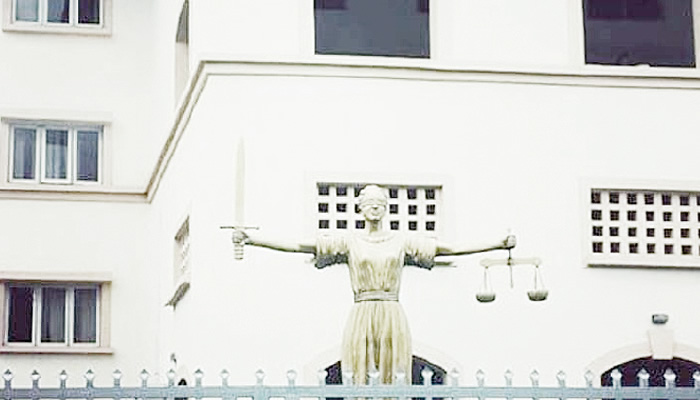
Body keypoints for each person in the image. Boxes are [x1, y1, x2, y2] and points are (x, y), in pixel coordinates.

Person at [232, 185, 515, 385]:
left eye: (380, 204)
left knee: (395, 375)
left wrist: (496, 245)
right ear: (360, 209)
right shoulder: (350, 241)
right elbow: (300, 246)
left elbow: (448, 250)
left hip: (391, 311)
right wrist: (254, 239)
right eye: (369, 204)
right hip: (362, 311)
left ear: (386, 208)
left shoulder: (400, 241)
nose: (375, 209)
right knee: (359, 374)